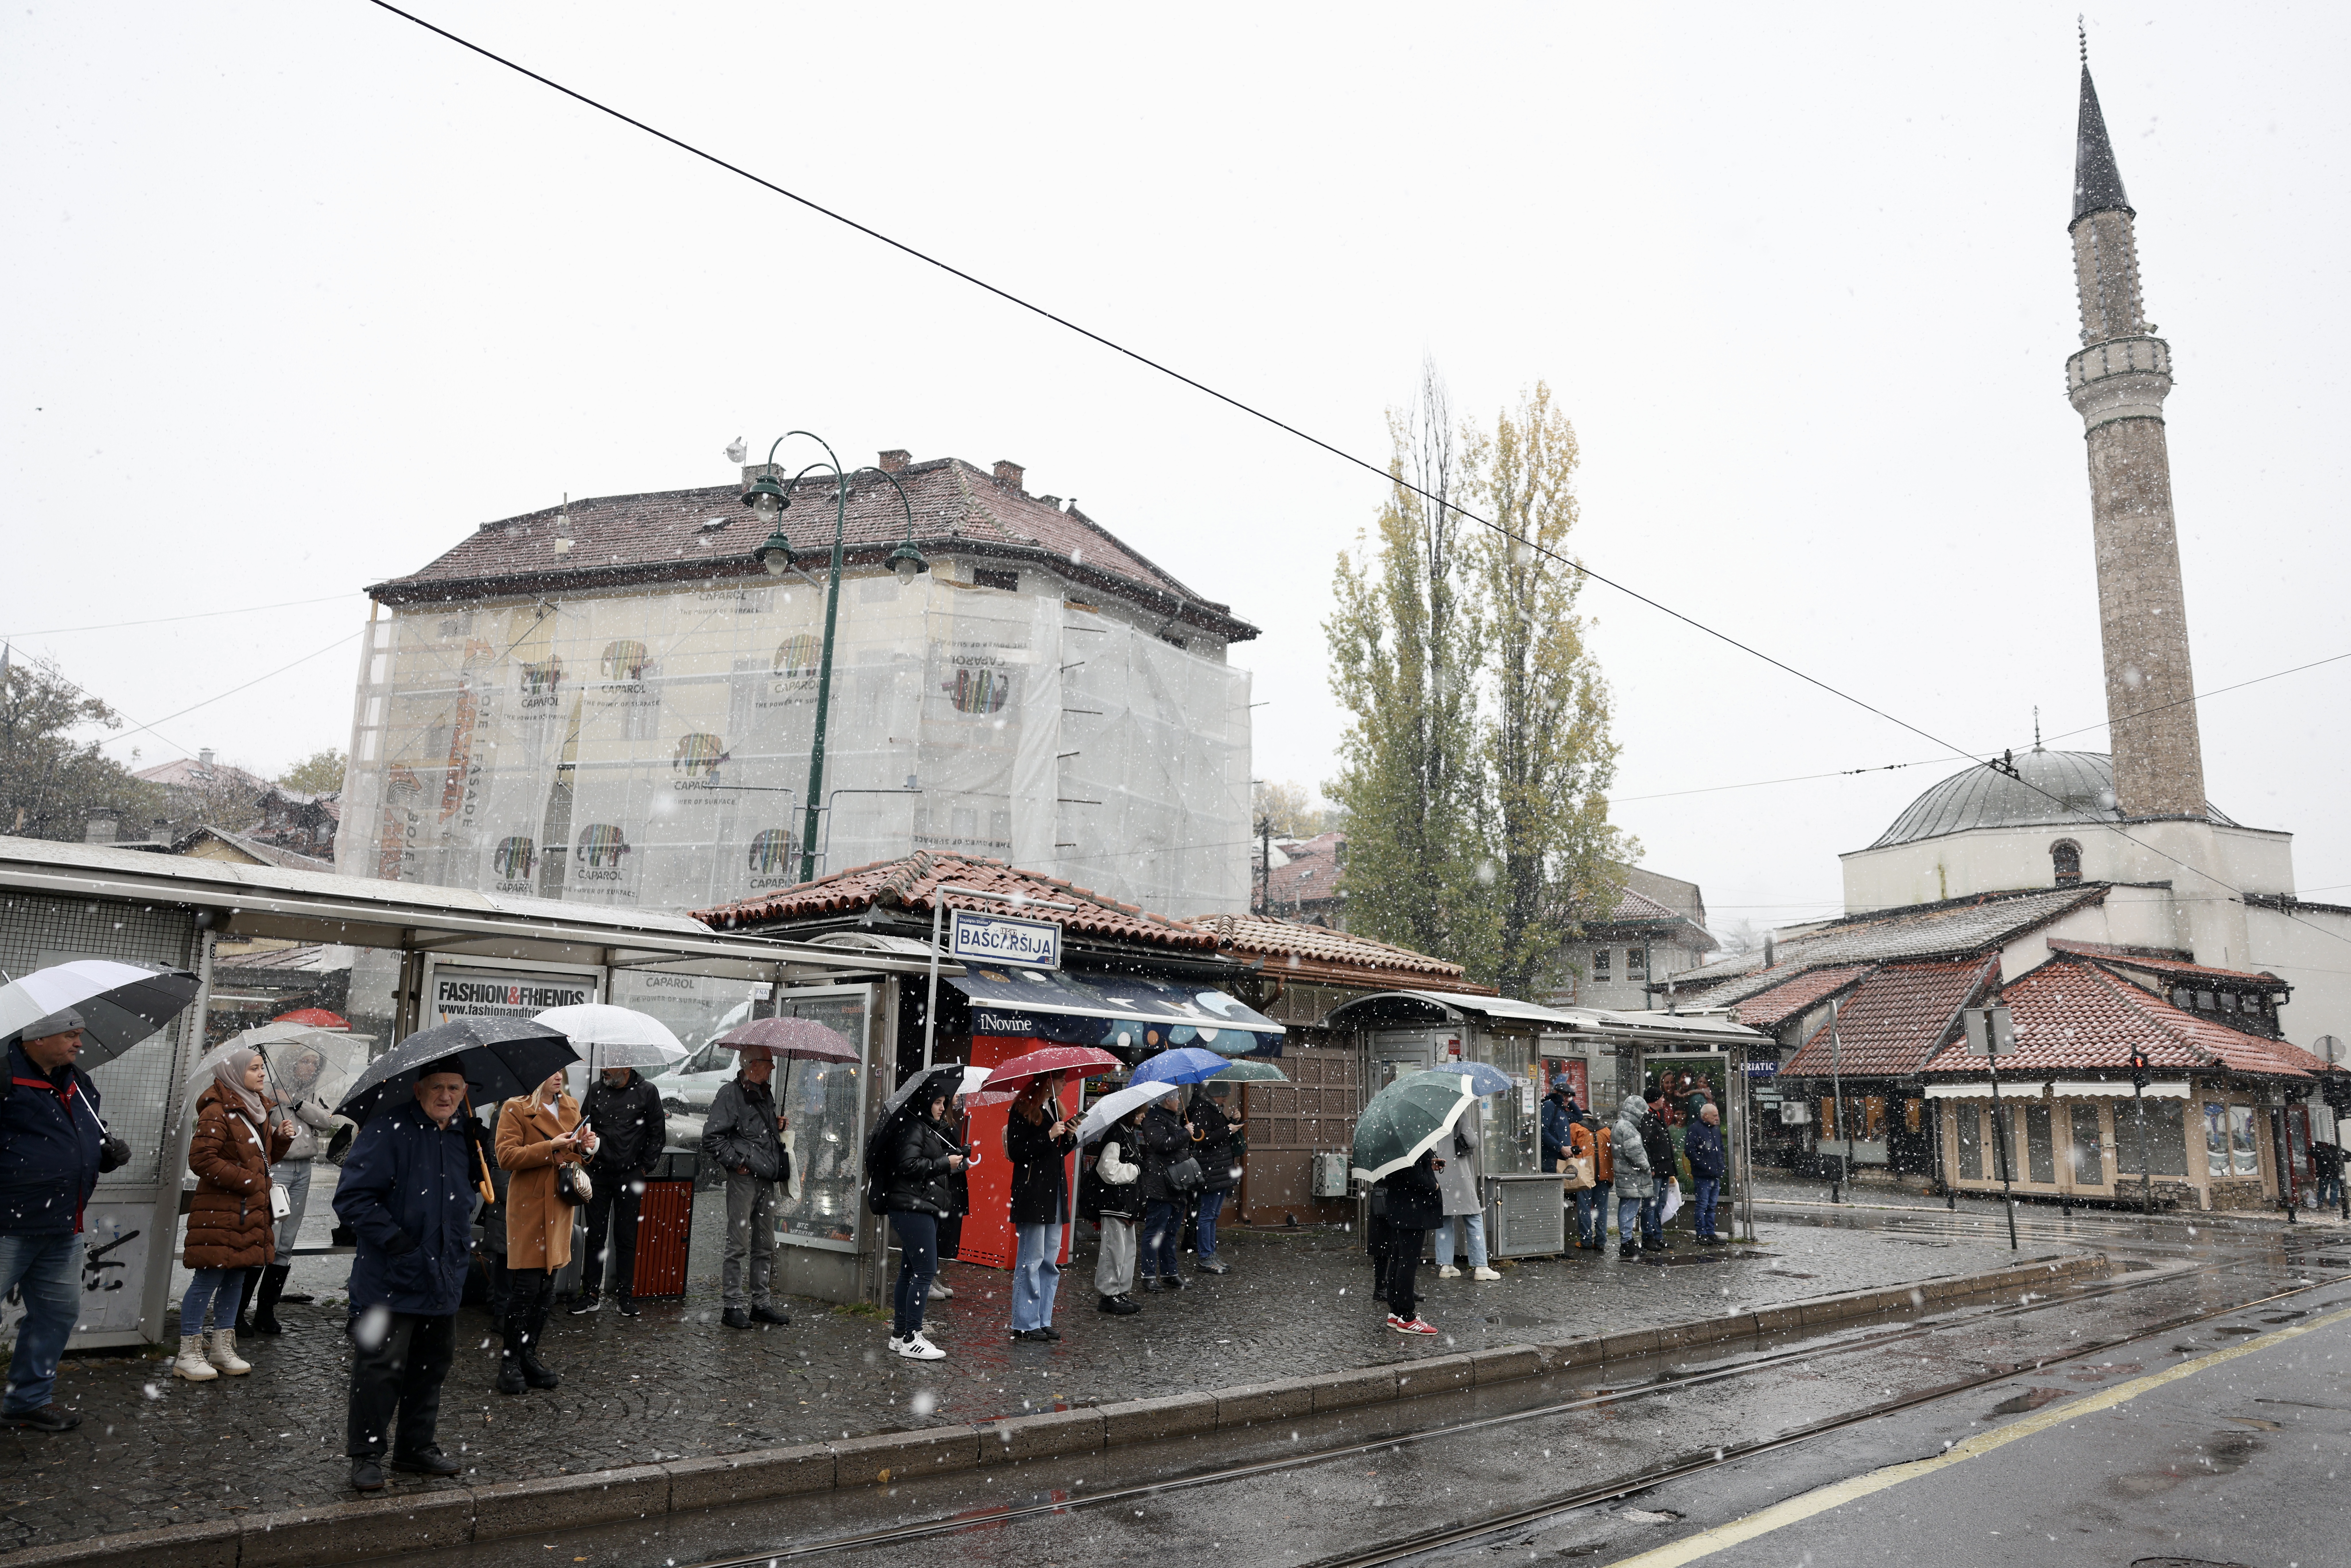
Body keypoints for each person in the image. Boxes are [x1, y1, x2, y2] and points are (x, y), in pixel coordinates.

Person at [333, 1059, 476, 1492]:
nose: (446, 1096)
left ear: (465, 1092)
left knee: (431, 1366)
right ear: (418, 1090)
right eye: (437, 1087)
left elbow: (462, 1199)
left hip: (444, 1273)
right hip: (392, 1276)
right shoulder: (387, 1129)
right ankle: (366, 1455)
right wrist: (400, 1244)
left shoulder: (464, 1134)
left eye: (454, 1088)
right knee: (379, 1369)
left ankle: (415, 1448)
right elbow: (353, 1199)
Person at [0, 1010, 115, 1431]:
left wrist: (104, 1155)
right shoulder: (5, 1078)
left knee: (57, 1314)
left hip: (63, 1225)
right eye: (70, 1035)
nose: (79, 1044)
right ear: (38, 1038)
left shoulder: (79, 1083)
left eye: (79, 1035)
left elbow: (86, 1136)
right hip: (8, 1224)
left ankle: (27, 1401)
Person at [176, 1047, 296, 1381]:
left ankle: (222, 1348)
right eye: (254, 1069)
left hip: (247, 1212)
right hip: (221, 1212)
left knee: (236, 1278)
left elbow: (261, 1158)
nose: (262, 1074)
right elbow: (202, 1159)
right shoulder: (217, 1111)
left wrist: (280, 1140)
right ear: (234, 1073)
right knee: (208, 1280)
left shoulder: (257, 1109)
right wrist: (250, 1181)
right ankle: (188, 1353)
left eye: (262, 1068)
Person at [494, 1070, 597, 1393]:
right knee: (527, 1286)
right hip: (530, 1205)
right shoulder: (516, 1107)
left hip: (560, 1204)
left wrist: (586, 1148)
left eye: (561, 1071)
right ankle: (509, 1363)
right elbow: (506, 1156)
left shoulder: (571, 1106)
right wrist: (549, 1148)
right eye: (551, 1072)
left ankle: (528, 1356)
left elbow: (575, 1157)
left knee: (547, 1289)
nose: (558, 1076)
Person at [247, 1042, 342, 1336]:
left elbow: (327, 1122)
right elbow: (260, 1128)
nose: (310, 1067)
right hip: (279, 1168)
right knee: (266, 1238)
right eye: (304, 1061)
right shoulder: (267, 1091)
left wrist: (299, 1103)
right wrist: (276, 1103)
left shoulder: (312, 1094)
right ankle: (238, 1311)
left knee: (286, 1242)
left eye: (314, 1063)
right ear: (291, 1063)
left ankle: (266, 1311)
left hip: (304, 1169)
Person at [700, 1052, 791, 1331]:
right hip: (744, 1180)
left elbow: (757, 1134)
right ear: (753, 1065)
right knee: (738, 1244)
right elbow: (711, 1137)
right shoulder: (730, 1094)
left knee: (765, 1244)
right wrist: (737, 1162)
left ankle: (760, 1304)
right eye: (768, 1062)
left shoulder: (765, 1093)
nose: (773, 1066)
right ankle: (732, 1306)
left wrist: (776, 1126)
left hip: (766, 1178)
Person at [573, 1062, 665, 1317]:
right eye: (605, 1064)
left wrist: (644, 1168)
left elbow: (657, 1134)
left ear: (627, 1068)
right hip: (598, 1174)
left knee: (626, 1237)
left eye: (612, 1066)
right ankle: (591, 1294)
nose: (605, 1069)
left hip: (630, 1174)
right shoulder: (596, 1090)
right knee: (595, 1236)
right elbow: (583, 1126)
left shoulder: (647, 1091)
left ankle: (626, 1295)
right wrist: (585, 1150)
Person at [883, 1085, 965, 1360]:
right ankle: (912, 1337)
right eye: (938, 1102)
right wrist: (944, 1164)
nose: (943, 1108)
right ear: (925, 1102)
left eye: (944, 1102)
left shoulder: (927, 1127)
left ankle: (899, 1335)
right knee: (925, 1270)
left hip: (919, 1206)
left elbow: (926, 1163)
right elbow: (908, 1165)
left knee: (910, 1271)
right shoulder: (913, 1127)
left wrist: (953, 1161)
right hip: (913, 1207)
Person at [1005, 1074, 1077, 1341]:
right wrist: (1048, 1135)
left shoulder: (1054, 1108)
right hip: (1033, 1193)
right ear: (1048, 1081)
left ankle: (1043, 1319)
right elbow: (1017, 1151)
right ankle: (1025, 1322)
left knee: (1049, 1260)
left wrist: (1069, 1135)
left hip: (1053, 1192)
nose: (1065, 1084)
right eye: (1061, 1079)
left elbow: (1057, 1152)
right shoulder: (1023, 1107)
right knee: (1031, 1259)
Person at [1134, 1090, 1193, 1292]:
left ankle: (1170, 1273)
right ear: (1168, 1101)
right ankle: (1149, 1275)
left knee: (1170, 1232)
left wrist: (1185, 1133)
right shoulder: (1154, 1119)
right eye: (1177, 1100)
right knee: (1155, 1231)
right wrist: (1185, 1133)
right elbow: (1161, 1144)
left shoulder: (1168, 1118)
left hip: (1176, 1183)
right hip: (1161, 1184)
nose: (1179, 1104)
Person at [1085, 1108, 1143, 1314]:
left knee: (1126, 1250)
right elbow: (1108, 1170)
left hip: (1123, 1203)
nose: (1144, 1116)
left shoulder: (1125, 1133)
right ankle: (1109, 1294)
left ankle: (1119, 1291)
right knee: (1114, 1250)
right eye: (1141, 1112)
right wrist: (1135, 1169)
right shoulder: (1117, 1134)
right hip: (1114, 1202)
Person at [1378, 1148, 1441, 1334]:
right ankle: (1408, 1318)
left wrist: (1428, 1164)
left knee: (1398, 1260)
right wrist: (1433, 1185)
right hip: (1413, 1211)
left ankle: (1396, 1313)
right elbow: (1414, 1176)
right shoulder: (1413, 1146)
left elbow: (1404, 1172)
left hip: (1400, 1206)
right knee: (1408, 1263)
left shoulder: (1395, 1145)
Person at [1434, 1102, 1499, 1281]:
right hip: (1460, 1174)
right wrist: (1475, 1136)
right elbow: (1471, 1141)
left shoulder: (1433, 1112)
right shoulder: (1457, 1110)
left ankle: (1446, 1265)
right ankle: (1481, 1266)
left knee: (1445, 1219)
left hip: (1440, 1172)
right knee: (1474, 1217)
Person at [1186, 1080, 1241, 1275]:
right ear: (1214, 1094)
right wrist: (1228, 1129)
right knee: (1208, 1215)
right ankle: (1206, 1257)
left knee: (1213, 1215)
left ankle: (1211, 1254)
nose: (1226, 1099)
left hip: (1220, 1170)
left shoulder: (1213, 1109)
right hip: (1212, 1170)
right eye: (1223, 1096)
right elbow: (1204, 1139)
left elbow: (1217, 1134)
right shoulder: (1203, 1110)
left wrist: (1233, 1122)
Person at [1611, 1093, 1656, 1260]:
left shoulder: (1619, 1125)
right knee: (1630, 1209)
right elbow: (1635, 1153)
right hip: (1633, 1177)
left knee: (1627, 1208)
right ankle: (1627, 1243)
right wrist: (1647, 1167)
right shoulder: (1629, 1128)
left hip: (1626, 1175)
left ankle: (1627, 1241)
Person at [1572, 1103, 1614, 1250]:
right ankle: (1601, 1242)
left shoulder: (1576, 1128)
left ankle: (1586, 1241)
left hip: (1584, 1174)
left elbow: (1570, 1151)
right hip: (1604, 1174)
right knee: (1601, 1210)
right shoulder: (1606, 1130)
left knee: (1584, 1208)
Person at [1643, 1092, 1679, 1247]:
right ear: (1655, 1099)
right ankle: (1648, 1237)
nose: (1664, 1100)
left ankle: (1657, 1236)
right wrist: (1651, 1166)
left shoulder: (1658, 1115)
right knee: (1652, 1204)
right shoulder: (1647, 1117)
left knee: (1661, 1203)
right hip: (1657, 1168)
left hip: (1664, 1167)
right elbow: (1646, 1144)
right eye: (1661, 1097)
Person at [1686, 1102, 1726, 1243]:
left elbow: (1721, 1149)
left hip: (1715, 1175)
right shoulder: (1695, 1129)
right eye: (1714, 1116)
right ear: (1705, 1116)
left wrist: (1721, 1165)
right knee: (1703, 1205)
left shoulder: (1715, 1129)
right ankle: (1701, 1233)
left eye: (1717, 1115)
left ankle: (1710, 1232)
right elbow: (1690, 1152)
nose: (1717, 1118)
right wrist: (1706, 1167)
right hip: (1703, 1176)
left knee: (1711, 1206)